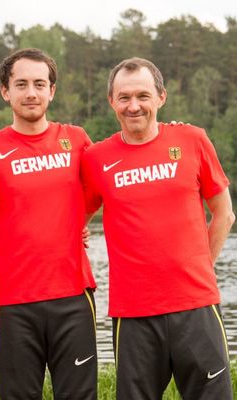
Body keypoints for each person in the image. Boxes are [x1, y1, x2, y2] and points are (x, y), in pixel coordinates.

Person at [80, 57, 235, 400]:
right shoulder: (96, 158)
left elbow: (223, 214)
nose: (133, 106)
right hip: (133, 313)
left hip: (196, 306)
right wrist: (78, 236)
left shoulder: (193, 139)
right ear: (111, 101)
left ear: (161, 97)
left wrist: (202, 268)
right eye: (124, 97)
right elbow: (73, 216)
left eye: (143, 96)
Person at [0, 48, 97, 399]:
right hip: (15, 300)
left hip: (73, 295)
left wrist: (73, 225)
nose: (31, 93)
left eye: (40, 84)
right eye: (21, 84)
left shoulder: (76, 139)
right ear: (5, 91)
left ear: (52, 91)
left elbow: (110, 180)